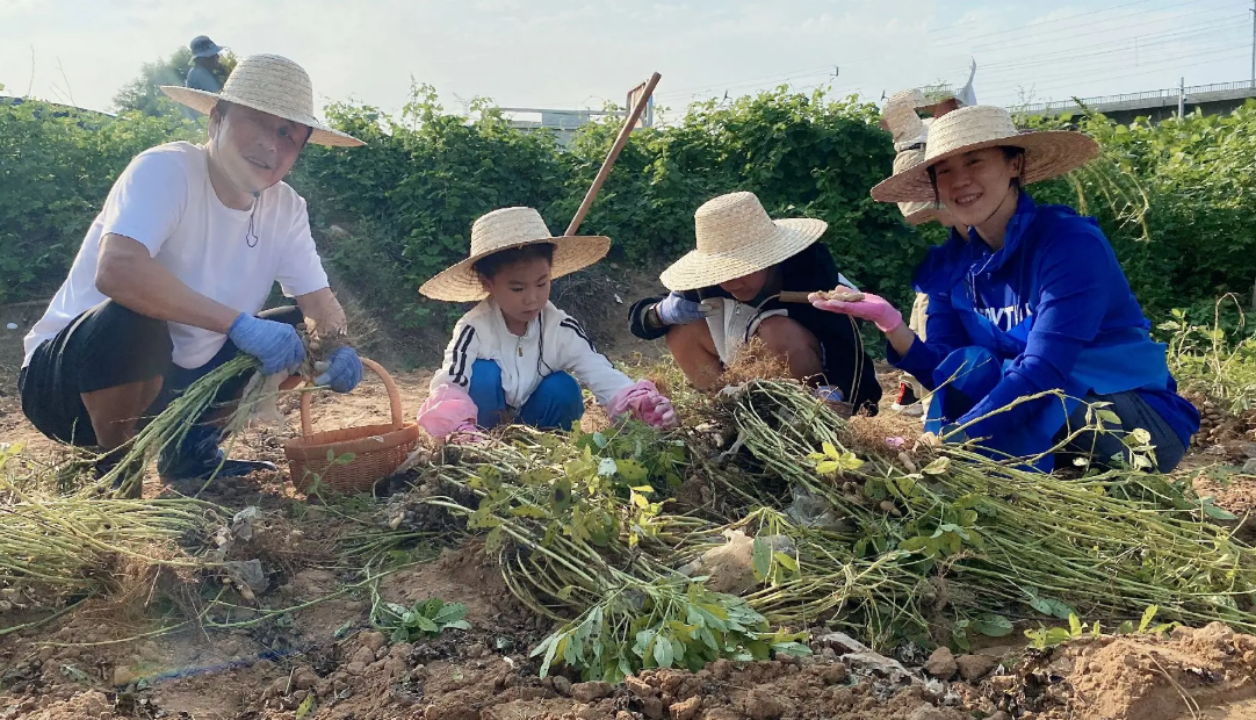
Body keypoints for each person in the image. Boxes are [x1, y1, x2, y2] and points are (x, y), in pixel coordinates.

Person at [20, 54, 367, 487]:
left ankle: (191, 452)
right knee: (133, 319)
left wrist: (336, 346)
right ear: (216, 119)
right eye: (256, 122)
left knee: (300, 332)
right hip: (68, 383)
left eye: (287, 134)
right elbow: (118, 271)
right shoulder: (167, 169)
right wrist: (236, 323)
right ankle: (116, 467)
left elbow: (320, 305)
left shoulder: (287, 209)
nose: (270, 144)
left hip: (173, 381)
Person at [811, 105, 1199, 472]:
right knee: (972, 363)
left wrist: (949, 444)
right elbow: (946, 378)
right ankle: (1009, 477)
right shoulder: (953, 267)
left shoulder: (1068, 246)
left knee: (1042, 388)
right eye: (943, 171)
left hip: (1136, 428)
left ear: (1014, 163)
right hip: (1047, 421)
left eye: (975, 161)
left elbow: (1043, 372)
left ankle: (1007, 478)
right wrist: (891, 324)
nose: (959, 180)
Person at [416, 207, 677, 441]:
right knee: (482, 376)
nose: (532, 298)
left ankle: (543, 451)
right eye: (517, 288)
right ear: (488, 284)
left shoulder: (560, 329)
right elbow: (450, 383)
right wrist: (461, 429)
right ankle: (476, 448)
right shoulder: (473, 329)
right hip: (480, 434)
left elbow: (600, 371)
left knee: (564, 388)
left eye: (542, 283)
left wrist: (642, 405)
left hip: (537, 429)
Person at [629, 192, 882, 414]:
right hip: (740, 364)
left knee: (776, 330)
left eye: (743, 269)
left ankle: (805, 413)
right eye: (723, 273)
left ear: (769, 258)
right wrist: (659, 314)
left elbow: (846, 346)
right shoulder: (707, 283)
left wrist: (840, 393)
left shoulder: (811, 273)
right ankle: (728, 410)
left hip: (808, 367)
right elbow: (639, 320)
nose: (732, 283)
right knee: (680, 331)